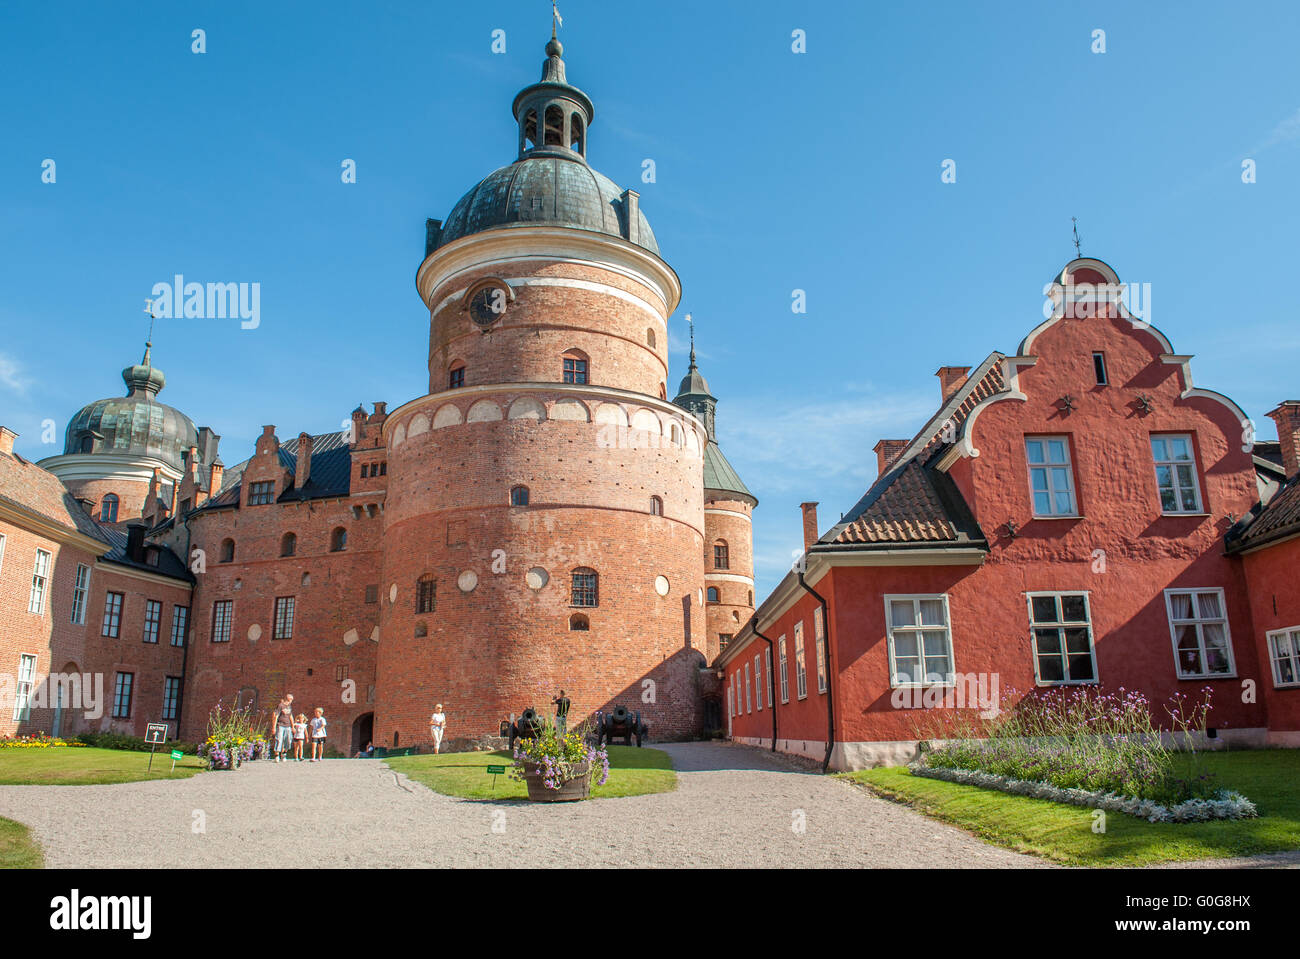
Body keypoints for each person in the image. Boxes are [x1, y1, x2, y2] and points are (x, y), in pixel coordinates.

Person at [272, 694, 295, 763]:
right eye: (291, 699)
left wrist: (292, 726)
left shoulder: (289, 706)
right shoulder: (280, 705)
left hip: (288, 726)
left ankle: (284, 754)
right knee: (279, 739)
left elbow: (291, 716)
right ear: (288, 699)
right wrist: (274, 727)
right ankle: (277, 755)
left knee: (288, 740)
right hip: (280, 725)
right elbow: (276, 716)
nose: (291, 701)